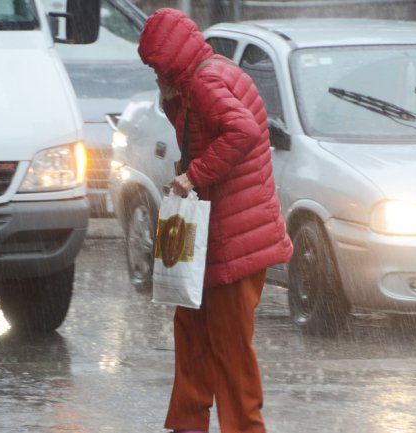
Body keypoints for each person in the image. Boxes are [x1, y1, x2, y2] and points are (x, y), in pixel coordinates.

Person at [138, 8, 294, 433]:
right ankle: (188, 423)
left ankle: (245, 427)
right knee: (190, 328)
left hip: (233, 238)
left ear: (169, 59)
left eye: (155, 67)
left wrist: (194, 175)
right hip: (213, 234)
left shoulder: (205, 82)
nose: (154, 75)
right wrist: (171, 97)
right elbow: (198, 132)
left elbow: (240, 132)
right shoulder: (203, 76)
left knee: (227, 346)